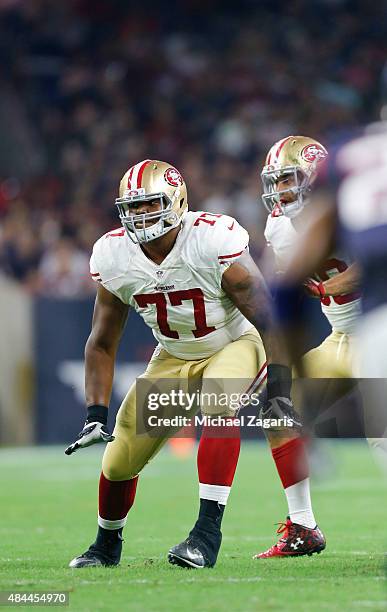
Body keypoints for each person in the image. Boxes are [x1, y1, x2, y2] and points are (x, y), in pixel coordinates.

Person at [65, 158, 300, 569]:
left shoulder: (210, 238)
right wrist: (94, 413)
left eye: (148, 203)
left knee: (219, 400)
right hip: (173, 355)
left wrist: (280, 389)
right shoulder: (114, 254)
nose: (139, 215)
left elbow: (268, 319)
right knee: (120, 457)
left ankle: (206, 535)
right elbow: (102, 342)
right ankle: (106, 545)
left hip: (234, 340)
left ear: (177, 200)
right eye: (131, 206)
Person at [253, 135, 361, 559]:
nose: (281, 191)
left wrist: (335, 283)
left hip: (380, 328)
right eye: (276, 181)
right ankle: (303, 526)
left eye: (291, 179)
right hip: (341, 337)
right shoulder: (279, 225)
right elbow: (287, 302)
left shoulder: (355, 202)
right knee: (277, 407)